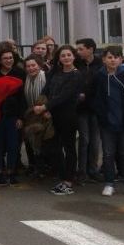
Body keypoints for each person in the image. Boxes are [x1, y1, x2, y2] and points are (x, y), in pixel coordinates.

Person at [91, 47, 124, 197]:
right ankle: (109, 183)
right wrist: (100, 113)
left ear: (121, 59)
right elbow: (93, 96)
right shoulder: (99, 76)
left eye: (116, 57)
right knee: (108, 154)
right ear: (104, 59)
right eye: (109, 57)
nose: (112, 60)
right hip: (107, 122)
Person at [34, 45, 82, 196]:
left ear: (74, 57)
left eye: (69, 55)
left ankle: (68, 181)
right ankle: (61, 176)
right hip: (52, 116)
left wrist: (45, 107)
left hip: (68, 116)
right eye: (63, 55)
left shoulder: (76, 75)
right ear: (59, 58)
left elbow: (64, 96)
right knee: (53, 147)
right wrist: (43, 106)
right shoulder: (55, 72)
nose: (66, 58)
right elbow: (46, 90)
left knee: (69, 148)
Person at [0, 47, 26, 186]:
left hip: (13, 115)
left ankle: (11, 172)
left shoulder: (20, 73)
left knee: (13, 145)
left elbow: (23, 98)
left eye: (10, 58)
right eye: (5, 58)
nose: (8, 60)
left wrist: (21, 117)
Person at [75, 38, 104, 183]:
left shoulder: (100, 64)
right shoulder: (77, 64)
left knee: (95, 140)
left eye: (81, 49)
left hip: (96, 108)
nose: (78, 51)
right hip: (81, 108)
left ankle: (93, 169)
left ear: (91, 49)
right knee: (84, 139)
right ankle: (82, 171)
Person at [23, 54, 48, 177]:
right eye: (28, 66)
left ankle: (44, 168)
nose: (31, 68)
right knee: (30, 141)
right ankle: (34, 166)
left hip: (44, 114)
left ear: (39, 66)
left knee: (42, 141)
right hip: (30, 114)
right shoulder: (25, 79)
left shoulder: (45, 77)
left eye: (33, 65)